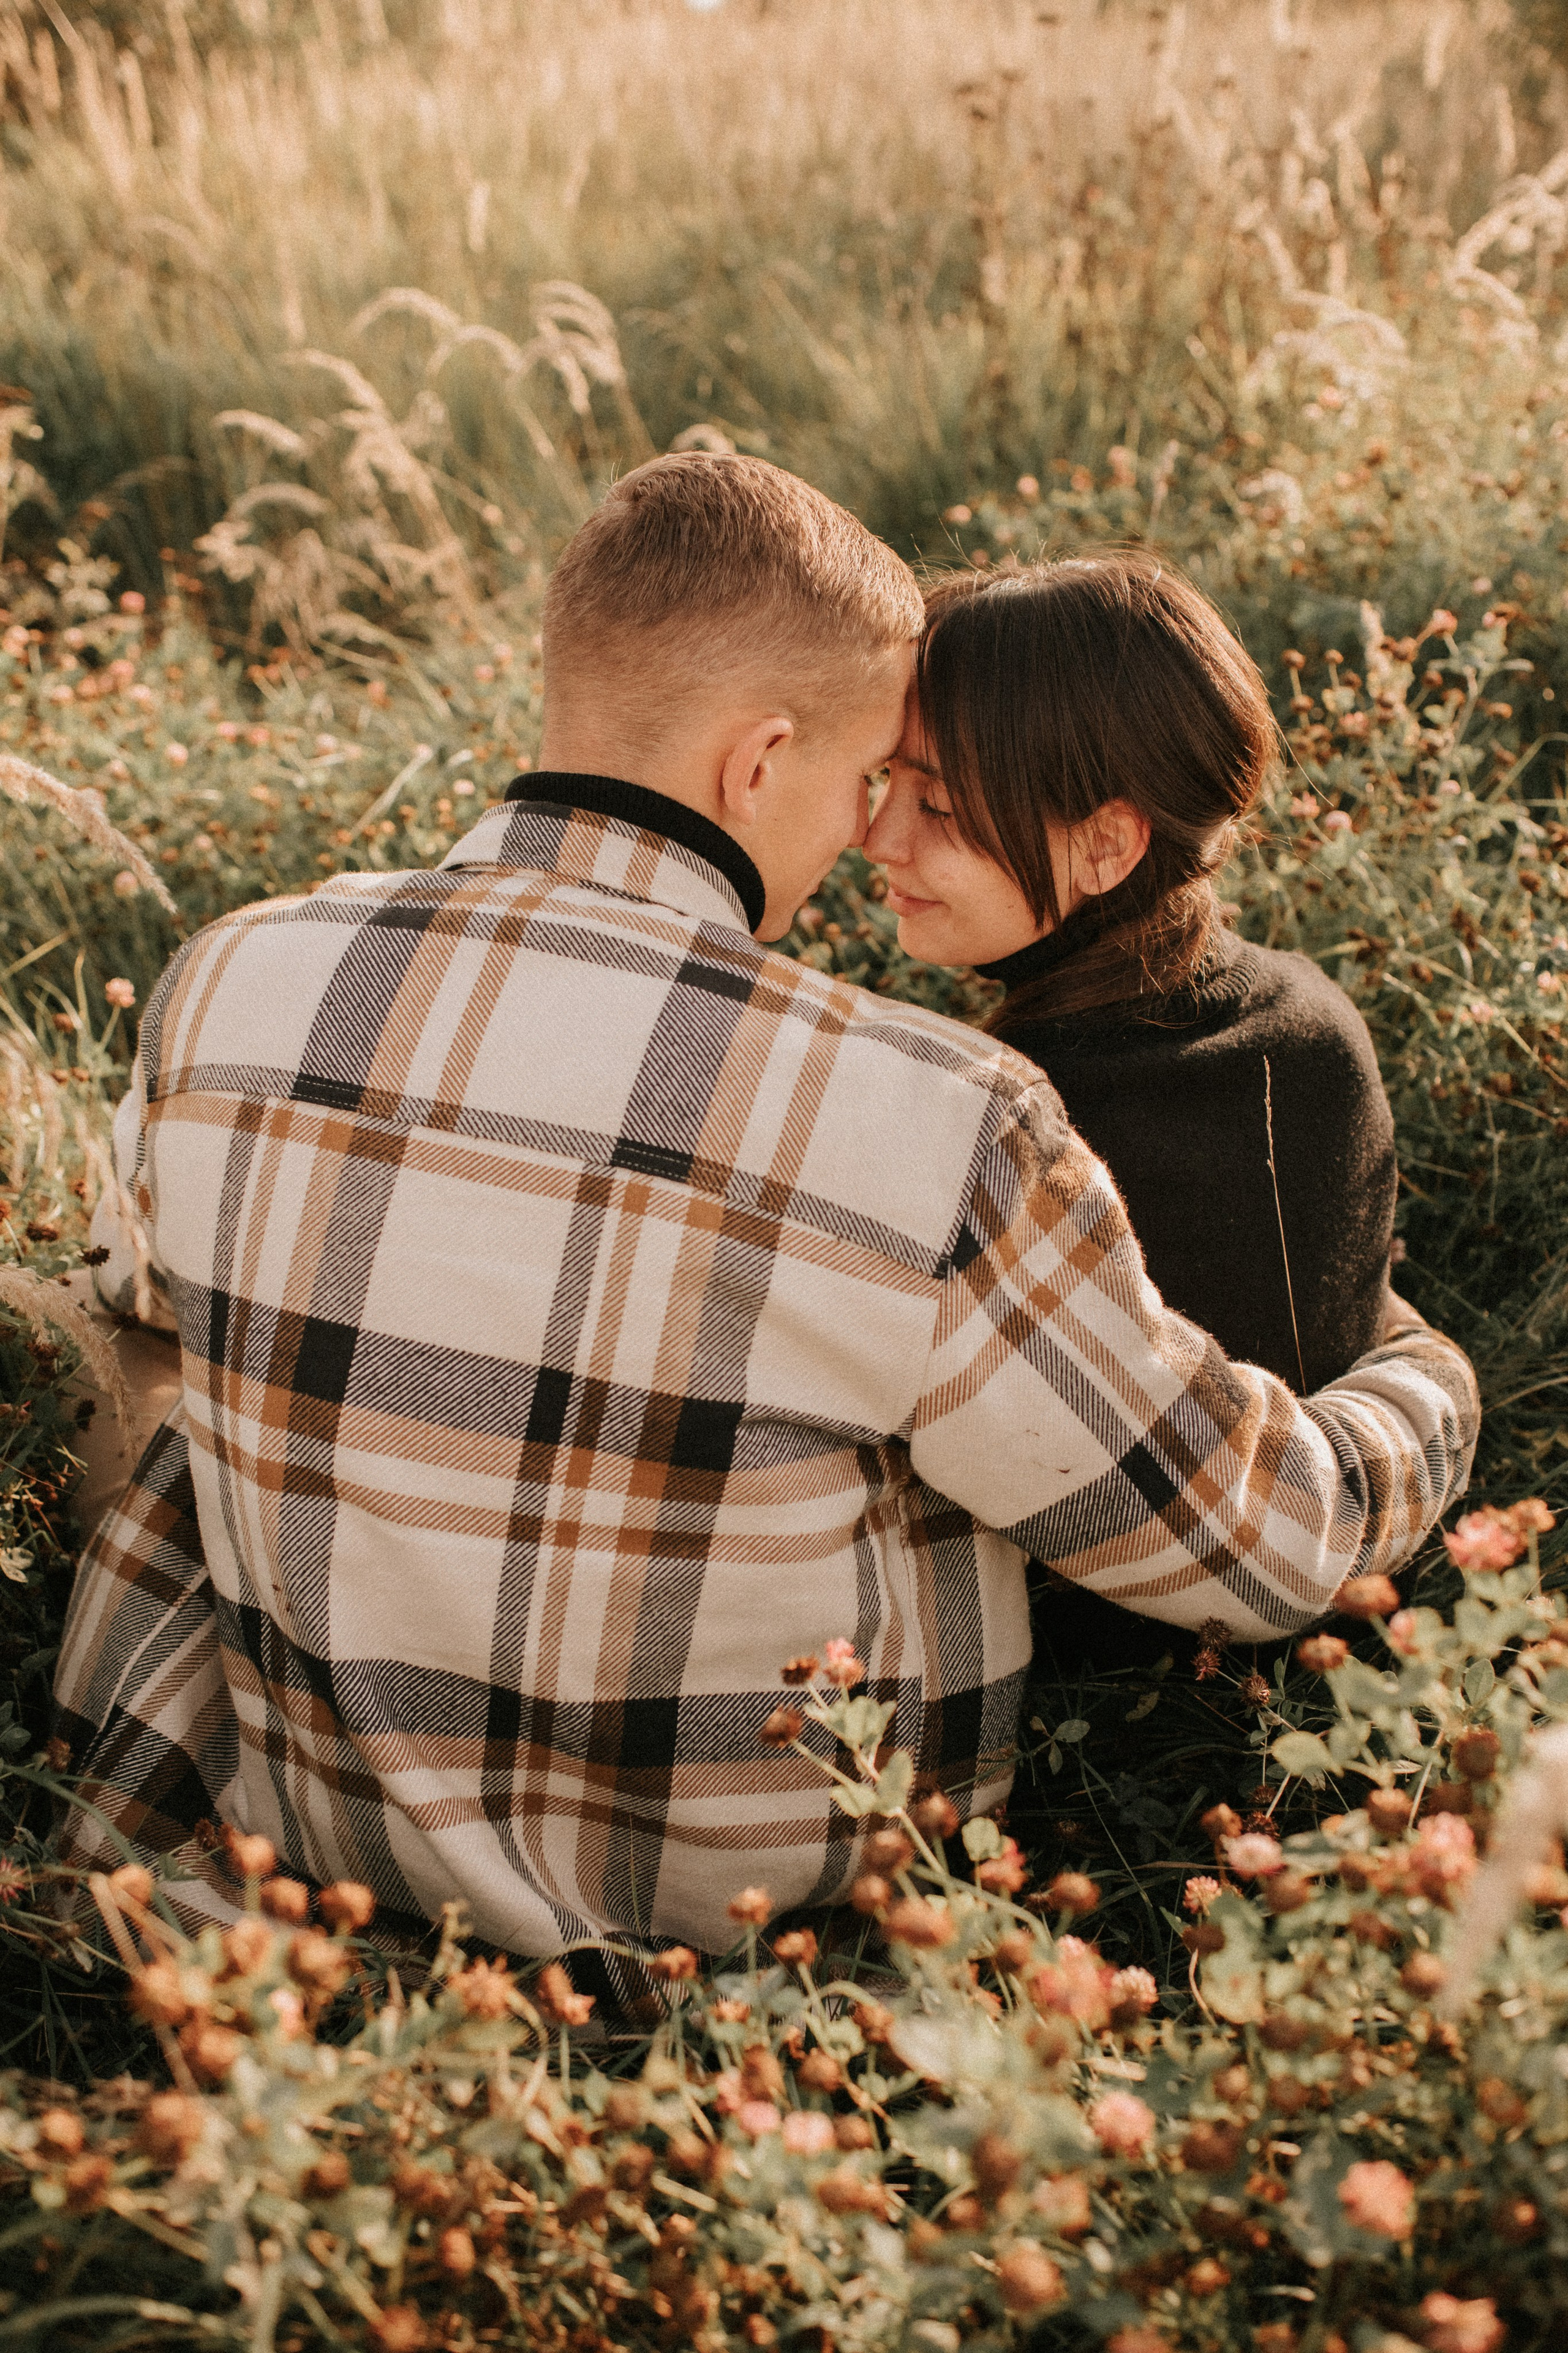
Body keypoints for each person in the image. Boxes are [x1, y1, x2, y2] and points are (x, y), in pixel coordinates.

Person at [55, 457, 1477, 2004]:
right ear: (760, 762)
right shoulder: (925, 1119)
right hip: (749, 1958)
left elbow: (135, 1298)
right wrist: (1421, 1372)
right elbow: (1257, 1555)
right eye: (874, 774)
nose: (870, 830)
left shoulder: (221, 984)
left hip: (295, 1879)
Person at [864, 550, 1403, 1669]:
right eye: (887, 785)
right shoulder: (1312, 1023)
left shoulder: (1009, 1127)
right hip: (1329, 1630)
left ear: (1107, 843)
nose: (882, 840)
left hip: (1098, 1740)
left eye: (943, 807)